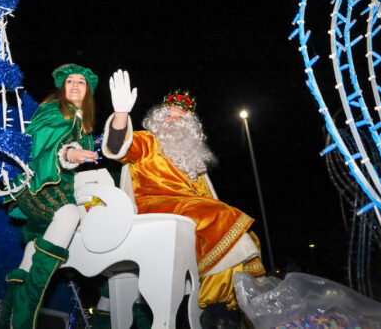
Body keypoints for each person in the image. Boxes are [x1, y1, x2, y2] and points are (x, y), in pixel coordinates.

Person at [101, 70, 266, 328]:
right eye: (168, 115)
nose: (173, 120)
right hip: (154, 208)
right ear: (157, 120)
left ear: (191, 127)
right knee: (222, 217)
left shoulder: (193, 160)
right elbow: (117, 148)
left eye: (180, 117)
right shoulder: (147, 142)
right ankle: (215, 306)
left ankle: (222, 309)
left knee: (237, 231)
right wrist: (121, 114)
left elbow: (208, 199)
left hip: (193, 214)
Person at [0, 63, 99, 329]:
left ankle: (10, 319)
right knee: (70, 213)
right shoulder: (53, 111)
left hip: (63, 189)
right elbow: (38, 147)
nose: (75, 85)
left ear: (87, 92)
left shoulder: (82, 122)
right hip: (43, 185)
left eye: (81, 82)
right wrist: (68, 154)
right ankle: (26, 315)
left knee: (34, 247)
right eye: (70, 82)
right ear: (62, 88)